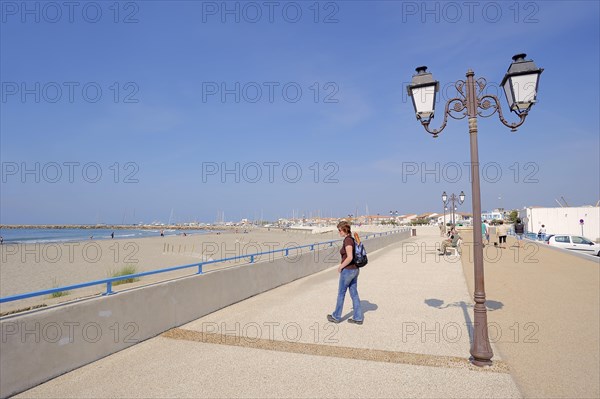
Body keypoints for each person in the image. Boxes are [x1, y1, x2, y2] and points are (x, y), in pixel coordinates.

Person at [327, 221, 363, 325]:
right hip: (355, 270)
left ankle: (336, 316)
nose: (339, 232)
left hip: (348, 270)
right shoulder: (352, 239)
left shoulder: (347, 241)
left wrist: (341, 267)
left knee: (341, 294)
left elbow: (350, 257)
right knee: (354, 294)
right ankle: (358, 318)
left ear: (344, 230)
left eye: (339, 230)